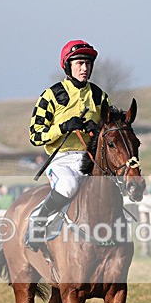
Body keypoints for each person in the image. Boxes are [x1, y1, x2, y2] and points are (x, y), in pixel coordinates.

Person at [27, 39, 109, 251]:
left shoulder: (99, 97)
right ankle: (38, 220)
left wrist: (96, 129)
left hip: (90, 161)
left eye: (88, 64)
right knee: (69, 185)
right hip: (60, 160)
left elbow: (109, 132)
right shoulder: (51, 95)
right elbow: (35, 135)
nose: (84, 68)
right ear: (67, 65)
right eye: (79, 63)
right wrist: (62, 128)